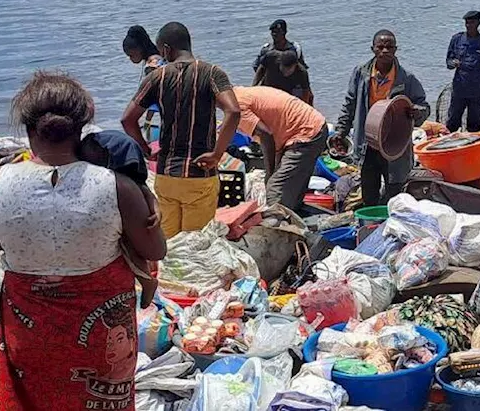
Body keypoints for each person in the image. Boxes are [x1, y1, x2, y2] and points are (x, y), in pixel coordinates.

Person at [0, 72, 164, 411]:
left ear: (30, 130)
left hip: (29, 331)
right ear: (81, 129)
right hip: (100, 334)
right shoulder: (116, 186)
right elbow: (155, 250)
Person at [121, 22, 240, 238]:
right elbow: (233, 112)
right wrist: (217, 154)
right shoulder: (212, 73)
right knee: (197, 246)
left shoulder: (157, 76)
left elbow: (127, 120)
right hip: (200, 174)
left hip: (167, 175)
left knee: (169, 244)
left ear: (166, 49)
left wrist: (146, 150)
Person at [331, 30, 429, 206]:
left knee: (395, 188)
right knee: (369, 188)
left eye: (389, 47)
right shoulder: (361, 74)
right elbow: (350, 103)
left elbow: (423, 104)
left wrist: (417, 112)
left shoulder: (406, 78)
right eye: (381, 47)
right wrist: (340, 131)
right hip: (368, 141)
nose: (385, 51)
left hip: (394, 143)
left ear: (396, 50)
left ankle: (391, 223)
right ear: (373, 49)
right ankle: (371, 222)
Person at [77, 127, 162, 307]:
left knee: (131, 249)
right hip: (110, 226)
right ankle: (146, 280)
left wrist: (156, 212)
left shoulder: (126, 185)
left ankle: (147, 281)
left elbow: (146, 192)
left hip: (123, 226)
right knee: (130, 250)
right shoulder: (103, 182)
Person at [233, 86, 328, 210]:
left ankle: (277, 224)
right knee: (293, 186)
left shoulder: (238, 107)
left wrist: (269, 173)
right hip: (308, 127)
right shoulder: (240, 93)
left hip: (306, 132)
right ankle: (293, 213)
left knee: (274, 188)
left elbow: (266, 135)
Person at [445, 10, 480, 132]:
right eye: (467, 23)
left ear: (478, 23)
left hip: (477, 91)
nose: (469, 25)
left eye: (472, 22)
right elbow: (448, 62)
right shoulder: (456, 39)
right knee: (452, 123)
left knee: (474, 126)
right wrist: (453, 63)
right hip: (459, 89)